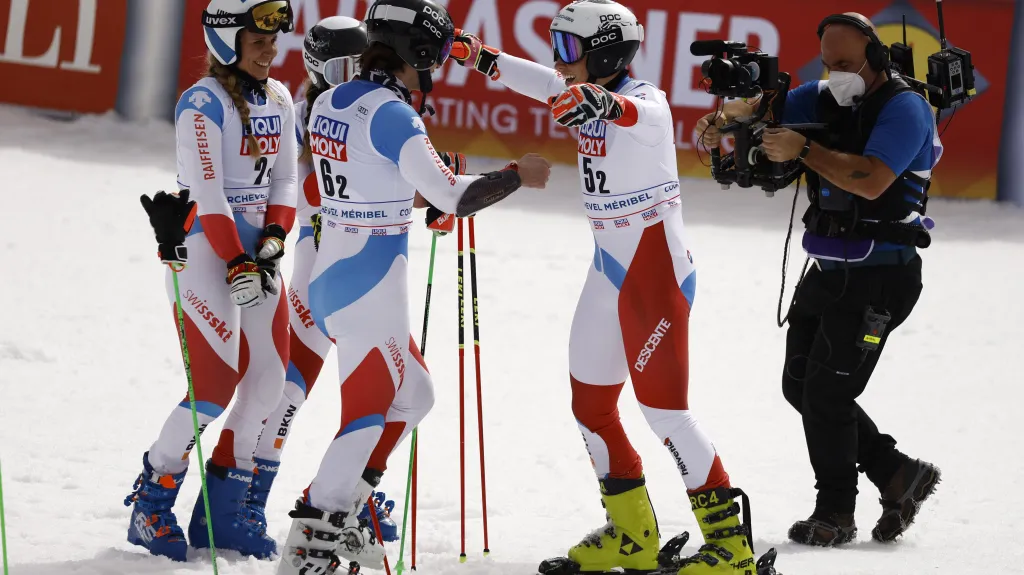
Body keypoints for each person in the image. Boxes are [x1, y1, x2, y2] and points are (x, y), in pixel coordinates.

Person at [452, 2, 771, 573]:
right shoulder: (577, 87)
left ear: (604, 54)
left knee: (666, 414)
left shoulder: (647, 101)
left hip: (656, 278)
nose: (558, 60)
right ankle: (632, 534)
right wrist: (476, 55)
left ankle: (732, 549)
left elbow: (637, 112)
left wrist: (601, 103)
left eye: (568, 49)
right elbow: (537, 80)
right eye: (556, 46)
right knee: (591, 407)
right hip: (608, 271)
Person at [274, 1, 550, 573]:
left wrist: (426, 193)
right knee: (365, 419)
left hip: (334, 278)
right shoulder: (395, 114)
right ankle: (310, 542)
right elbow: (452, 195)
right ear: (418, 53)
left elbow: (373, 180)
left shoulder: (329, 100)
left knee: (415, 393)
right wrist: (517, 175)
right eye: (438, 53)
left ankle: (347, 508)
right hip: (370, 289)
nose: (438, 65)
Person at [698, 12, 941, 547]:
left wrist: (804, 150)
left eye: (847, 63)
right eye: (829, 65)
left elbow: (872, 181)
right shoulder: (824, 96)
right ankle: (897, 472)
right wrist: (724, 120)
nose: (837, 75)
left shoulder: (905, 109)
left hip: (881, 276)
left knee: (828, 393)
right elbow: (760, 110)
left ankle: (835, 512)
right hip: (829, 267)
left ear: (875, 57)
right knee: (800, 385)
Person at [124, 0, 297, 562]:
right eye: (257, 41)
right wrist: (236, 259)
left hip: (255, 255)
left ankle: (221, 512)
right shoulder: (200, 103)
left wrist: (274, 238)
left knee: (268, 383)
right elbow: (208, 192)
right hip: (206, 253)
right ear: (226, 42)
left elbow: (285, 182)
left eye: (273, 40)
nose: (270, 50)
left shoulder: (279, 97)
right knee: (214, 389)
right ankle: (151, 502)